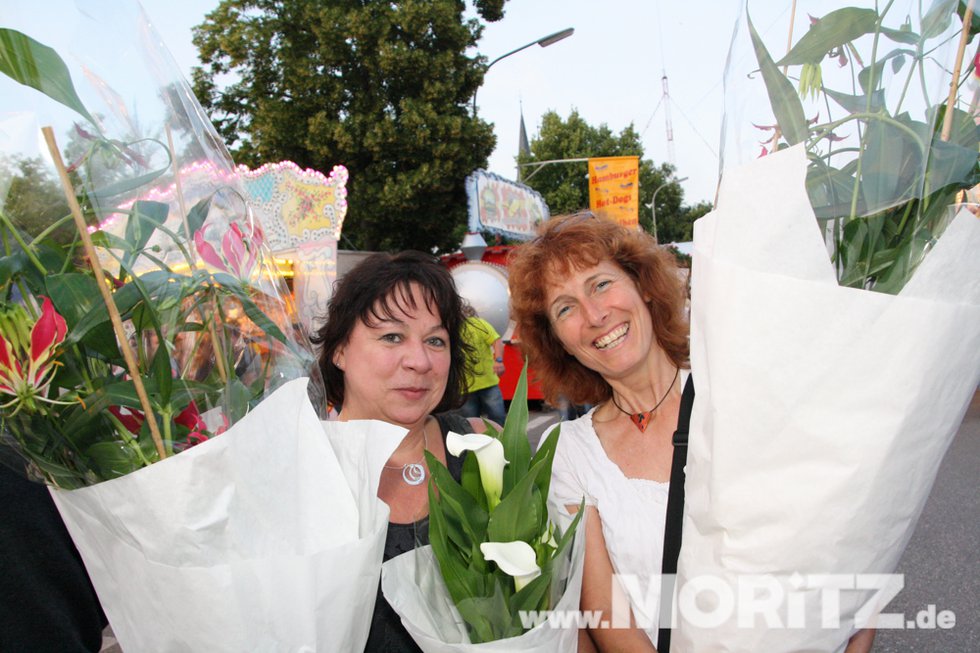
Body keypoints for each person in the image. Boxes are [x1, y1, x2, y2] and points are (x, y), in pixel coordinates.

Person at [507, 213, 873, 652]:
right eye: (564, 308)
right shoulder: (567, 452)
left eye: (601, 284)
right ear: (557, 340)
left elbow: (843, 539)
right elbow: (605, 612)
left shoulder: (743, 390)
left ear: (642, 285)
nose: (594, 315)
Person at [311, 250, 487, 653]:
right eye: (392, 336)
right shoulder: (303, 468)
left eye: (435, 340)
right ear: (339, 350)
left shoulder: (485, 448)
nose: (419, 361)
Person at [458, 304, 507, 425]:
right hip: (470, 385)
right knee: (493, 419)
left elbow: (496, 340)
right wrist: (499, 361)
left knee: (492, 420)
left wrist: (499, 361)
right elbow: (497, 340)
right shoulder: (451, 330)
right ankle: (497, 441)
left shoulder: (476, 324)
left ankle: (496, 442)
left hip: (482, 383)